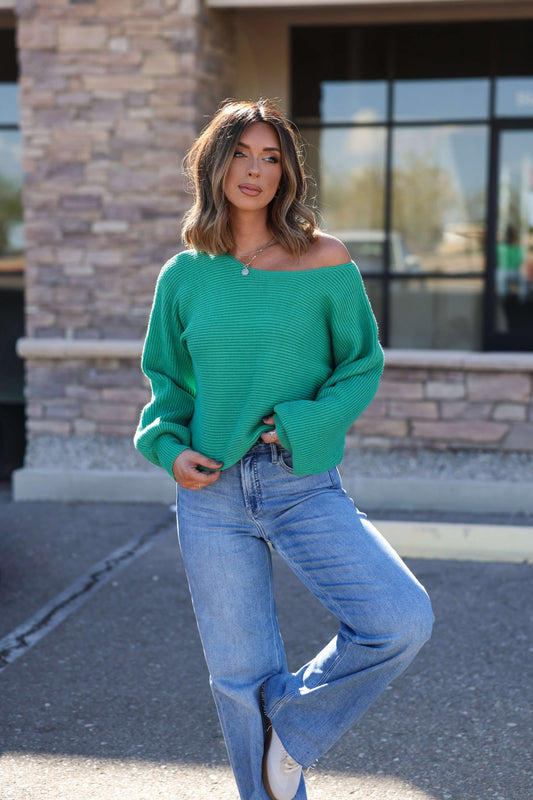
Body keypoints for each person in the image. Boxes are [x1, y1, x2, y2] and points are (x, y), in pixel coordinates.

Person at [134, 99, 433, 800]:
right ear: (215, 162)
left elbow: (359, 366)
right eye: (242, 153)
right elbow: (165, 386)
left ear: (287, 173)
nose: (257, 170)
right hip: (209, 494)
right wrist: (167, 449)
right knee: (239, 679)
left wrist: (301, 422)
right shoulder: (184, 276)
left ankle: (290, 729)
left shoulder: (323, 260)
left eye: (272, 157)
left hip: (299, 480)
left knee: (397, 619)